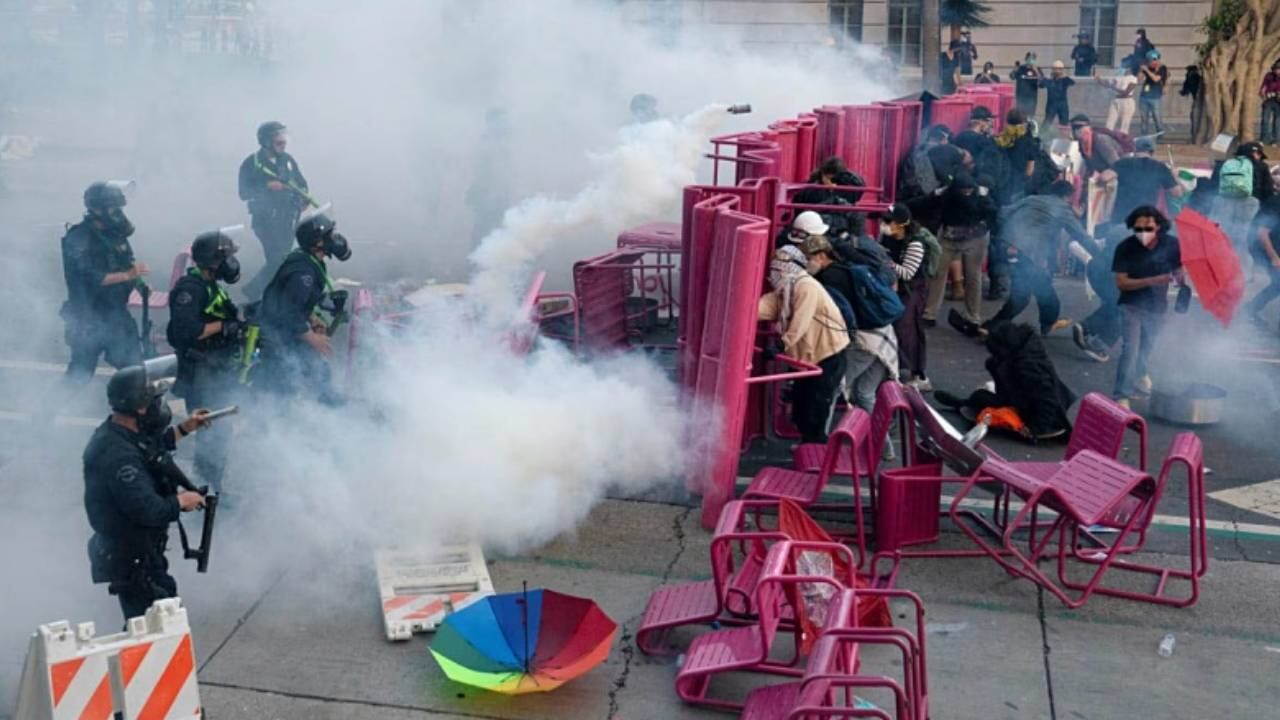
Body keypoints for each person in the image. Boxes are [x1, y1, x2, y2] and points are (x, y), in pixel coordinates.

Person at [85, 366, 210, 622]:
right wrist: (180, 501)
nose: (159, 406)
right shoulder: (119, 456)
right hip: (132, 557)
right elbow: (147, 509)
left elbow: (151, 450)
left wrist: (185, 428)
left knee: (153, 622)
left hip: (141, 552)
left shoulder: (123, 433)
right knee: (155, 622)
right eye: (155, 400)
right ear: (139, 407)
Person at [167, 231, 243, 492]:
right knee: (211, 433)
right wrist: (222, 326)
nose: (230, 263)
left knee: (218, 433)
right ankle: (205, 491)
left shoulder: (210, 286)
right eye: (225, 257)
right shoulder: (190, 289)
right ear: (212, 261)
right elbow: (187, 331)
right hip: (200, 372)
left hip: (215, 369)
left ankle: (209, 488)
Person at [800, 236, 898, 424]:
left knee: (833, 387)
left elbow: (841, 315)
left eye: (808, 258)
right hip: (883, 334)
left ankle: (821, 437)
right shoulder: (846, 268)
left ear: (821, 256)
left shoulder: (827, 279)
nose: (806, 263)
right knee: (864, 393)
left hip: (864, 340)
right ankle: (883, 440)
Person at [256, 213, 352, 404]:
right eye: (328, 235)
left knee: (319, 371)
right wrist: (312, 337)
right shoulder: (303, 273)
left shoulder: (309, 261)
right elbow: (288, 312)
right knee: (283, 385)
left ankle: (327, 406)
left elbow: (298, 302)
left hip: (287, 330)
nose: (333, 239)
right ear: (317, 243)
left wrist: (312, 318)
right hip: (277, 335)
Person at [758, 245, 850, 443]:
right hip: (809, 358)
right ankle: (808, 445)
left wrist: (781, 345)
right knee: (801, 408)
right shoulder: (785, 291)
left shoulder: (806, 287)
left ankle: (815, 450)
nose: (773, 275)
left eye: (777, 270)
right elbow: (762, 308)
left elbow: (801, 321)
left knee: (815, 409)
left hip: (827, 355)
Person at [61, 182, 146, 382]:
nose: (118, 214)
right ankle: (48, 403)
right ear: (97, 209)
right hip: (88, 317)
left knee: (134, 371)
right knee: (79, 374)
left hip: (116, 314)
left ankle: (135, 402)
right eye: (113, 209)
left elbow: (126, 263)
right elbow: (91, 278)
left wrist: (139, 283)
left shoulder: (113, 233)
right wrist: (128, 275)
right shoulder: (79, 237)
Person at [933, 321, 1075, 441]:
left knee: (987, 403)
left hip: (1043, 416)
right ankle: (963, 403)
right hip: (1022, 400)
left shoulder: (1028, 367)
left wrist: (1036, 429)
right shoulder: (1021, 348)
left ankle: (964, 404)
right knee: (981, 396)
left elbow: (1047, 400)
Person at [986, 181, 1091, 336]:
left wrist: (1005, 236)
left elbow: (1003, 212)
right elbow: (1081, 235)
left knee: (1036, 288)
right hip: (1023, 252)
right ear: (1066, 196)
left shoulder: (1032, 199)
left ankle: (1045, 323)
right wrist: (1099, 254)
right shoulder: (1062, 208)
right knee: (1027, 294)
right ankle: (992, 327)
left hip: (1007, 245)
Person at [1111, 206, 1182, 407]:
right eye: (1138, 229)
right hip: (1131, 305)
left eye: (1148, 228)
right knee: (1130, 350)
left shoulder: (1171, 244)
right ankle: (1121, 395)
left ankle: (1141, 373)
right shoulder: (1125, 248)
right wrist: (1153, 280)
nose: (1143, 233)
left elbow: (1178, 268)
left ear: (1158, 226)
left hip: (1157, 306)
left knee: (1147, 346)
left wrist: (1179, 277)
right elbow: (1122, 283)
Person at [916, 173, 997, 332]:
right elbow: (924, 202)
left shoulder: (976, 196)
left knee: (972, 276)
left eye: (969, 190)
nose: (967, 193)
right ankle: (930, 314)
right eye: (963, 191)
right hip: (953, 236)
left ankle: (973, 316)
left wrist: (987, 227)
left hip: (973, 237)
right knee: (938, 273)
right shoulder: (955, 194)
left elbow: (993, 213)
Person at [239, 121, 310, 299]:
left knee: (282, 259)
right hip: (265, 221)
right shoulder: (251, 164)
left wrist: (303, 199)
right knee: (276, 259)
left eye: (284, 138)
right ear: (266, 141)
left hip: (288, 219)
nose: (283, 143)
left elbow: (301, 184)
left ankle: (275, 293)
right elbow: (243, 193)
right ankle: (254, 291)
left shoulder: (287, 160)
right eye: (278, 139)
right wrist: (266, 186)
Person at [877, 203, 935, 390]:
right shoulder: (887, 239)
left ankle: (918, 373)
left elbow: (908, 273)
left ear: (901, 224)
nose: (884, 225)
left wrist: (887, 263)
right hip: (894, 289)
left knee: (908, 330)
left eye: (889, 222)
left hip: (912, 290)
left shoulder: (915, 244)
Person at [1073, 223, 1125, 362]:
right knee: (1127, 309)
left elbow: (1078, 245)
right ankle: (1093, 337)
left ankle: (1088, 328)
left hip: (1095, 268)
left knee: (1115, 305)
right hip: (1112, 275)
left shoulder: (1120, 228)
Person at [466, 108, 513, 248]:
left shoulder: (501, 143)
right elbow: (482, 172)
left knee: (498, 232)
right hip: (486, 197)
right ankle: (477, 257)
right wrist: (489, 193)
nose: (504, 124)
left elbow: (506, 171)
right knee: (483, 231)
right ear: (491, 122)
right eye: (501, 120)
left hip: (497, 197)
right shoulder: (486, 143)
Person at [1110, 136, 1183, 224]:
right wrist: (1174, 176)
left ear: (1135, 149)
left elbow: (1105, 177)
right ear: (1152, 152)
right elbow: (1177, 193)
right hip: (1145, 219)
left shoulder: (1122, 163)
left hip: (1121, 217)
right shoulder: (1160, 168)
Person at [1245, 196, 1280, 328]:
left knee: (1278, 284)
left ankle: (1250, 309)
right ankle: (1250, 310)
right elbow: (1261, 233)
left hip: (1276, 244)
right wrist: (1274, 258)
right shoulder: (1276, 203)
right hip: (1260, 246)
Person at [1095, 67, 1139, 135]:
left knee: (1124, 124)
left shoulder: (1133, 78)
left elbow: (1126, 92)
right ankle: (1108, 136)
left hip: (1127, 101)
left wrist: (1114, 88)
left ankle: (1123, 139)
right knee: (1110, 122)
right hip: (1116, 100)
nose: (1124, 69)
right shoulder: (1118, 77)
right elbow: (1107, 84)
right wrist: (1099, 80)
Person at [1137, 51, 1168, 135]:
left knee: (1156, 117)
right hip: (1144, 96)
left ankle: (1160, 133)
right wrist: (1141, 69)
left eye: (1154, 60)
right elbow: (1138, 79)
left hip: (1155, 97)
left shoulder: (1162, 68)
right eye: (1150, 60)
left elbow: (1156, 79)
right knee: (1144, 118)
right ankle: (1144, 134)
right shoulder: (1147, 67)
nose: (1152, 62)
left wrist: (1147, 70)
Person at [1041, 61, 1075, 127]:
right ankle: (1043, 132)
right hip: (1051, 104)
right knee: (1047, 121)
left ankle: (1063, 133)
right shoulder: (1049, 79)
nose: (1057, 71)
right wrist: (1045, 79)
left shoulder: (1064, 79)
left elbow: (1072, 82)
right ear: (1053, 69)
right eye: (1055, 69)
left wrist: (1064, 77)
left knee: (1064, 122)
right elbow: (1041, 85)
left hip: (1062, 104)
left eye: (1059, 69)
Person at [1012, 54, 1044, 118]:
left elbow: (1042, 83)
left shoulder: (1037, 69)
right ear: (1026, 59)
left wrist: (1036, 70)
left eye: (1033, 59)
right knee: (1020, 117)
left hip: (1032, 98)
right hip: (1021, 98)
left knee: (1030, 117)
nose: (1030, 60)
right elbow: (1012, 77)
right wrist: (1014, 70)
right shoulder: (1021, 68)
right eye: (1029, 58)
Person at [1181, 65, 1206, 141]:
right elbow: (1186, 87)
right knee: (1194, 116)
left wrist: (1185, 91)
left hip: (1199, 101)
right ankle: (1194, 136)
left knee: (1195, 116)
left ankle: (1195, 136)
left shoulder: (1195, 77)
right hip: (1197, 100)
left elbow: (1188, 87)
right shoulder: (1190, 77)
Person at [1262, 60, 1280, 146]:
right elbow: (1264, 86)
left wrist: (1277, 93)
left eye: (1279, 69)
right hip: (1268, 101)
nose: (1277, 71)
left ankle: (1275, 140)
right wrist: (1263, 92)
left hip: (1278, 103)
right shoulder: (1269, 76)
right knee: (1265, 120)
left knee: (1277, 122)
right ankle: (1264, 139)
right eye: (1276, 69)